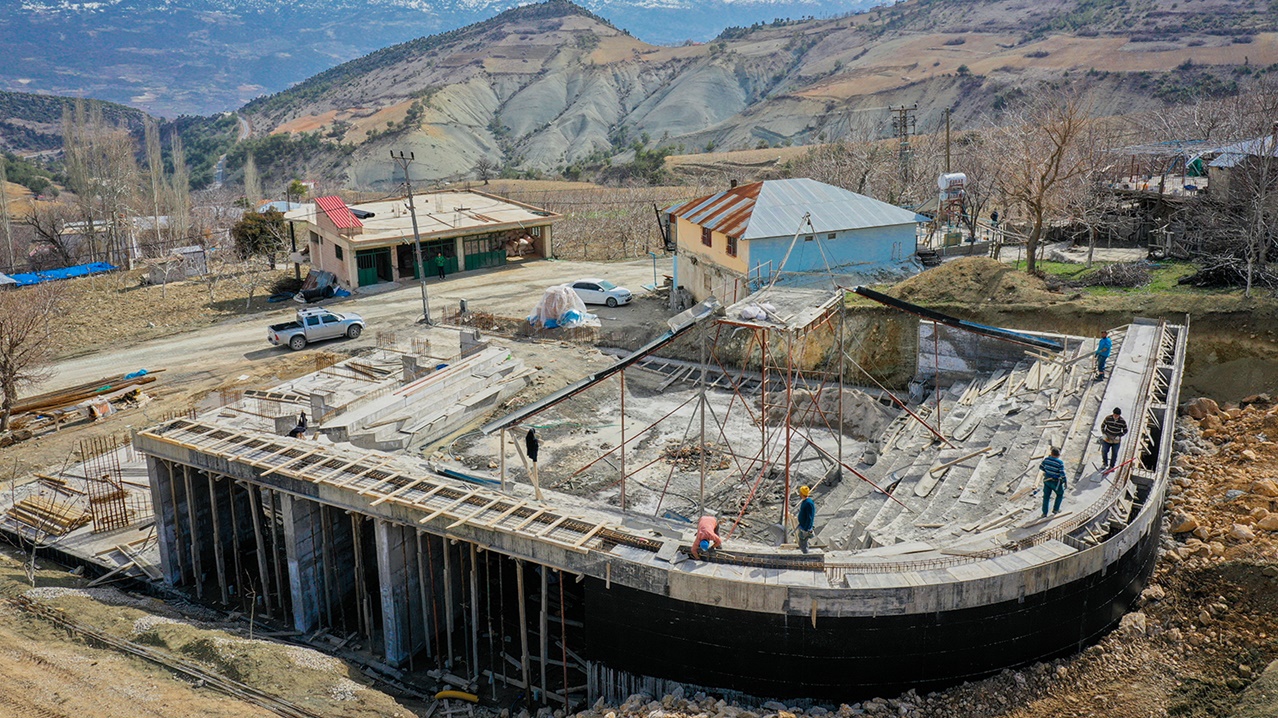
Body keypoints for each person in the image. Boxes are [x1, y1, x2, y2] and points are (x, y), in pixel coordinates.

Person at [1040, 447, 1067, 518]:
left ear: (1051, 453)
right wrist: (1064, 481)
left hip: (1047, 481)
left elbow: (1041, 467)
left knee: (1046, 497)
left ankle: (1044, 513)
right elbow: (1062, 474)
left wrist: (1047, 472)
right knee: (1060, 494)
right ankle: (1056, 509)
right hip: (1056, 482)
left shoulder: (1046, 460)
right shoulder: (1059, 463)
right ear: (1058, 455)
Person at [796, 485, 817, 554]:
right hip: (803, 525)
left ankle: (806, 555)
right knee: (802, 542)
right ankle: (805, 553)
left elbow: (810, 517)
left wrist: (806, 529)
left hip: (805, 527)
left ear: (802, 493)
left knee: (803, 543)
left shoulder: (808, 503)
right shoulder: (805, 502)